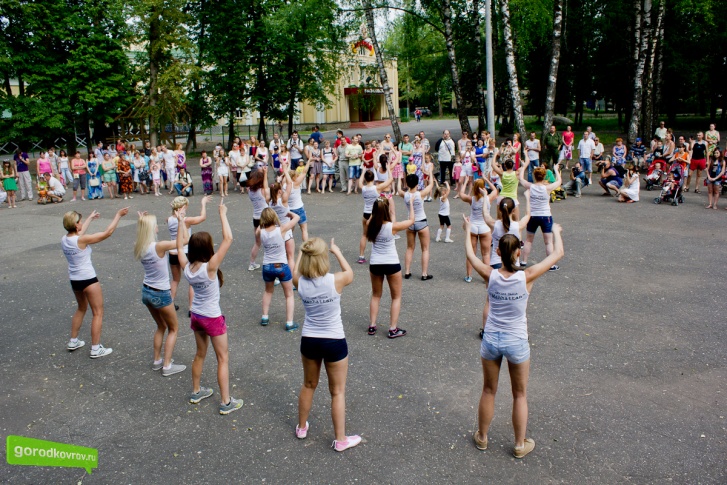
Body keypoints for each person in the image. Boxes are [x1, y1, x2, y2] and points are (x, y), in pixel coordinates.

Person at [465, 215, 564, 459]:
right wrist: (556, 231)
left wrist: (468, 230)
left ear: (498, 251)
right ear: (518, 253)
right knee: (519, 394)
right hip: (517, 341)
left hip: (491, 339)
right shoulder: (527, 276)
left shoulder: (490, 274)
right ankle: (520, 444)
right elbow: (557, 254)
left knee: (489, 390)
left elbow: (471, 254)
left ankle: (482, 437)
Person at [292, 237, 360, 451]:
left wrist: (301, 252)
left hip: (310, 339)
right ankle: (340, 440)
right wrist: (337, 251)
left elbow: (295, 270)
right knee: (337, 391)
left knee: (308, 384)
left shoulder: (299, 282)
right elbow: (350, 272)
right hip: (334, 340)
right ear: (323, 258)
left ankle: (301, 427)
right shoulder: (335, 280)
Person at [177, 199, 242, 415]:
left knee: (200, 354)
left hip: (196, 315)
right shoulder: (210, 267)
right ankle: (226, 402)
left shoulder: (187, 268)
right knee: (222, 358)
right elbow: (228, 239)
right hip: (212, 317)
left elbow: (178, 247)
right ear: (207, 248)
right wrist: (222, 213)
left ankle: (196, 391)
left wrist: (181, 223)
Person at [62, 207, 129, 358]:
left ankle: (73, 341)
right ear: (76, 225)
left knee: (81, 308)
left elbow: (78, 234)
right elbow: (107, 233)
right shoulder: (81, 240)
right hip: (88, 279)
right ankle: (95, 348)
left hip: (75, 280)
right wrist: (118, 215)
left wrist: (90, 219)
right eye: (80, 222)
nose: (81, 223)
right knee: (98, 313)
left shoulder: (65, 239)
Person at [134, 212, 187, 376]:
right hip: (160, 293)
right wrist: (181, 222)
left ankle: (157, 360)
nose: (157, 226)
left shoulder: (139, 246)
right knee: (173, 328)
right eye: (155, 224)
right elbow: (183, 241)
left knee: (161, 326)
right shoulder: (159, 246)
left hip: (147, 290)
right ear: (151, 228)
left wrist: (141, 220)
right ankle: (167, 366)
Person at [366, 197, 415, 338]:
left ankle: (372, 325)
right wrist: (411, 204)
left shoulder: (370, 224)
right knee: (396, 297)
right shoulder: (393, 227)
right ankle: (393, 329)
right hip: (391, 263)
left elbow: (373, 216)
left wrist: (378, 206)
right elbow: (411, 220)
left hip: (375, 263)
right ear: (387, 210)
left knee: (376, 295)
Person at [257, 207, 300, 331]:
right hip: (281, 265)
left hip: (267, 266)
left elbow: (259, 229)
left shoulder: (260, 232)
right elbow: (297, 218)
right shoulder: (282, 229)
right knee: (289, 294)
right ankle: (289, 322)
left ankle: (265, 317)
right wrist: (289, 213)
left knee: (268, 291)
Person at [168, 195, 211, 309]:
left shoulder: (169, 219)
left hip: (173, 253)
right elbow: (202, 217)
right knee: (192, 281)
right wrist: (203, 203)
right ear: (182, 207)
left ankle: (170, 303)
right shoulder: (186, 220)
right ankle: (191, 307)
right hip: (185, 252)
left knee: (175, 280)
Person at [518, 163, 562, 271]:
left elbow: (521, 179)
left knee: (528, 240)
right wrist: (556, 170)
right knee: (548, 242)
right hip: (545, 216)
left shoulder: (530, 186)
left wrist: (524, 167)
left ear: (534, 176)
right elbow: (559, 181)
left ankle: (523, 261)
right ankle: (550, 265)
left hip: (533, 216)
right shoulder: (547, 188)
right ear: (544, 176)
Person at [398, 169, 435, 280]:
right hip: (422, 222)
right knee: (425, 249)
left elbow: (398, 189)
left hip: (410, 223)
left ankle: (407, 272)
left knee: (410, 248)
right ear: (417, 183)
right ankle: (424, 274)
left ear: (407, 184)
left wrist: (399, 178)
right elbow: (431, 185)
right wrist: (430, 172)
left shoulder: (405, 195)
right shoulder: (420, 194)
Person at [459, 177, 498, 282]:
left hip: (473, 227)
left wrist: (466, 182)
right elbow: (495, 190)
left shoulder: (471, 199)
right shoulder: (488, 198)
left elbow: (461, 194)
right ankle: (487, 277)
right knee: (486, 254)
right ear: (483, 187)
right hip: (485, 227)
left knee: (471, 253)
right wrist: (487, 180)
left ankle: (468, 276)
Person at [357, 159, 395, 263]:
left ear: (366, 179)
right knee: (379, 235)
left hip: (365, 214)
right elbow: (390, 179)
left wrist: (363, 172)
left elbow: (360, 181)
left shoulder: (363, 188)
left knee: (364, 235)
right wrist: (388, 169)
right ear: (374, 178)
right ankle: (380, 256)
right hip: (375, 214)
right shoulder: (377, 188)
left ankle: (361, 256)